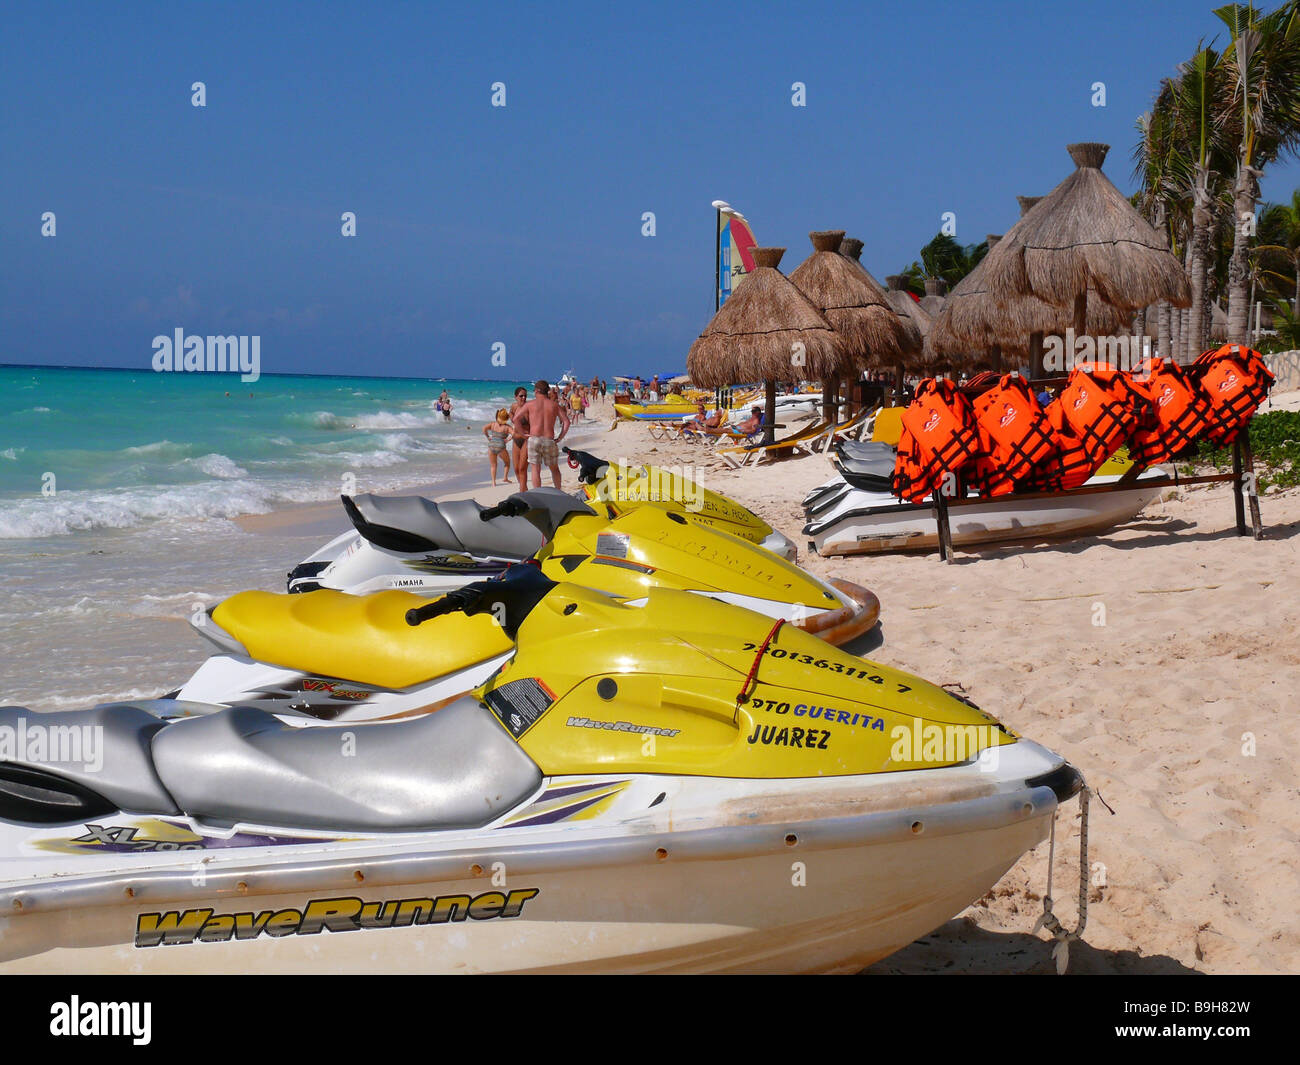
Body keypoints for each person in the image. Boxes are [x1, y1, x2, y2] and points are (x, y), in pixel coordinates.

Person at [513, 380, 570, 489]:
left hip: (534, 439)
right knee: (554, 469)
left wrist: (523, 434)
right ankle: (558, 491)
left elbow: (515, 419)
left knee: (535, 469)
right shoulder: (554, 405)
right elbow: (566, 422)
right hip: (549, 439)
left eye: (534, 390)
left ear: (537, 391)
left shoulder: (530, 404)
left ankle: (538, 493)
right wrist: (560, 437)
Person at [507, 386, 530, 492]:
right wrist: (513, 419)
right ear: (515, 397)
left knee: (522, 468)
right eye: (521, 396)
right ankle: (524, 489)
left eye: (525, 396)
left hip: (527, 440)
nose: (524, 398)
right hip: (516, 440)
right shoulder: (514, 406)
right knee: (516, 469)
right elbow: (510, 413)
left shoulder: (529, 409)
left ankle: (522, 493)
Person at [483, 409, 511, 486]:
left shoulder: (492, 424)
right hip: (501, 447)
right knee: (507, 463)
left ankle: (493, 482)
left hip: (491, 445)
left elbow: (484, 428)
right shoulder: (507, 427)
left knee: (493, 465)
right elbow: (514, 433)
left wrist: (488, 436)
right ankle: (505, 478)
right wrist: (508, 439)